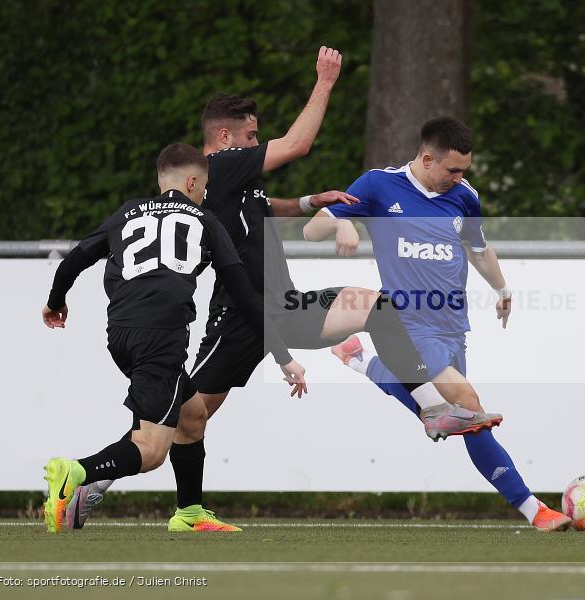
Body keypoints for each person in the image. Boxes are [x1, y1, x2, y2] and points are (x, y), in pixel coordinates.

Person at [69, 49, 500, 529]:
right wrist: (325, 81)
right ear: (225, 138)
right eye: (251, 136)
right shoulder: (223, 164)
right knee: (183, 419)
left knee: (377, 305)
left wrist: (309, 201)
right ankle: (98, 480)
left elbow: (260, 205)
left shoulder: (231, 181)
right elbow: (297, 143)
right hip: (239, 318)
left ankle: (433, 409)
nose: (257, 143)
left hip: (285, 305)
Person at [302, 116, 572, 532]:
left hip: (452, 329)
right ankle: (535, 511)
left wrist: (501, 289)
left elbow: (479, 250)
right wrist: (343, 221)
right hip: (406, 324)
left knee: (459, 422)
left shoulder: (464, 196)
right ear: (428, 159)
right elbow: (310, 229)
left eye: (465, 170)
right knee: (469, 405)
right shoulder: (377, 185)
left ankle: (365, 364)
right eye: (453, 170)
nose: (460, 178)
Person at [42, 143, 284, 533]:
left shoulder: (127, 212)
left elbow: (75, 258)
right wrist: (284, 354)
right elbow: (241, 292)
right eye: (204, 186)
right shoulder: (204, 218)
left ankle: (189, 513)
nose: (206, 193)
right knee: (151, 449)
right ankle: (75, 474)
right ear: (192, 181)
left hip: (121, 333)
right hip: (161, 337)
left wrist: (55, 302)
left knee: (192, 417)